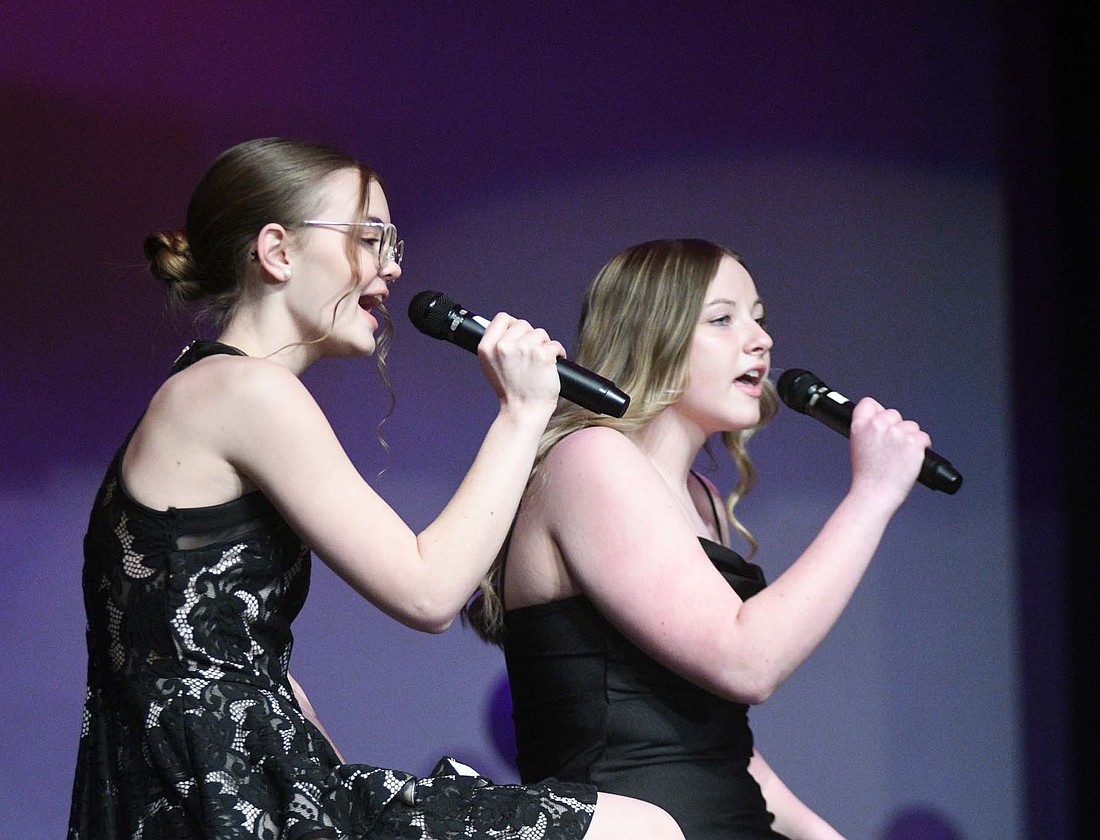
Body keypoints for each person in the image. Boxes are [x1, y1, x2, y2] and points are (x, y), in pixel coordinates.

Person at [67, 138, 684, 840]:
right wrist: (523, 411)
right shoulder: (244, 390)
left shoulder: (206, 383)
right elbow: (428, 592)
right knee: (638, 832)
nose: (391, 266)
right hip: (226, 804)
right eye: (368, 238)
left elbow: (245, 665)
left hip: (231, 792)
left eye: (391, 242)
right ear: (277, 251)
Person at [465, 239, 933, 840]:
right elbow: (747, 663)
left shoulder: (701, 496)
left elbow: (713, 740)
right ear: (650, 336)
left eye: (759, 319)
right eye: (722, 319)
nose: (759, 340)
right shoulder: (591, 460)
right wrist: (871, 495)